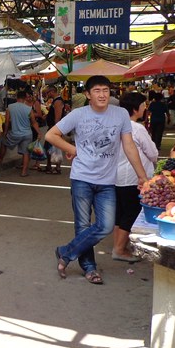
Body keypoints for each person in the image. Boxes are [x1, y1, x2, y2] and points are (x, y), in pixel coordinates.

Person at [45, 75, 148, 285]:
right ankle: (90, 269)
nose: (102, 95)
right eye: (97, 91)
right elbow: (51, 135)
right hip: (81, 178)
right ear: (88, 94)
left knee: (105, 225)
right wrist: (74, 149)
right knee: (83, 226)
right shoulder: (78, 114)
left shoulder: (119, 114)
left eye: (105, 90)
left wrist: (142, 176)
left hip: (107, 181)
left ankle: (65, 252)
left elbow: (129, 146)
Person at [112, 92, 157, 263]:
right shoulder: (137, 128)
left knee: (120, 213)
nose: (145, 109)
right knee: (131, 212)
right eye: (143, 106)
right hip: (133, 177)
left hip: (116, 177)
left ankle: (118, 245)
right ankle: (119, 249)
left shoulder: (115, 125)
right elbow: (152, 152)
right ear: (135, 109)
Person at [0, 89, 38, 175]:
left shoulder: (10, 107)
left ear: (16, 97)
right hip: (27, 134)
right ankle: (24, 172)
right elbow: (33, 122)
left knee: (4, 143)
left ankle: (0, 159)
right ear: (25, 98)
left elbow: (7, 122)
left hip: (15, 133)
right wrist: (39, 132)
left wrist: (5, 132)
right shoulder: (29, 108)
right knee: (26, 153)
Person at [44, 85, 67, 174]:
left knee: (53, 147)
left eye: (48, 92)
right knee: (49, 148)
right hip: (53, 128)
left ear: (52, 91)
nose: (47, 94)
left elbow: (57, 117)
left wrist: (56, 130)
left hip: (54, 128)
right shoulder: (56, 101)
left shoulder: (57, 101)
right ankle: (50, 166)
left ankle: (57, 167)